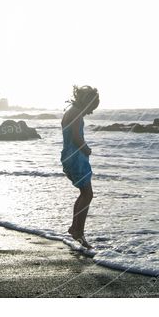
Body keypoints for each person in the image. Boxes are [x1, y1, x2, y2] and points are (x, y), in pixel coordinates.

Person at [60, 85, 100, 249]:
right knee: (88, 194)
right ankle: (79, 232)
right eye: (91, 108)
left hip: (68, 155)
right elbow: (76, 137)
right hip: (76, 157)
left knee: (84, 193)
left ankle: (75, 228)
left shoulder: (70, 111)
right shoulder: (77, 114)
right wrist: (86, 149)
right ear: (87, 102)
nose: (91, 112)